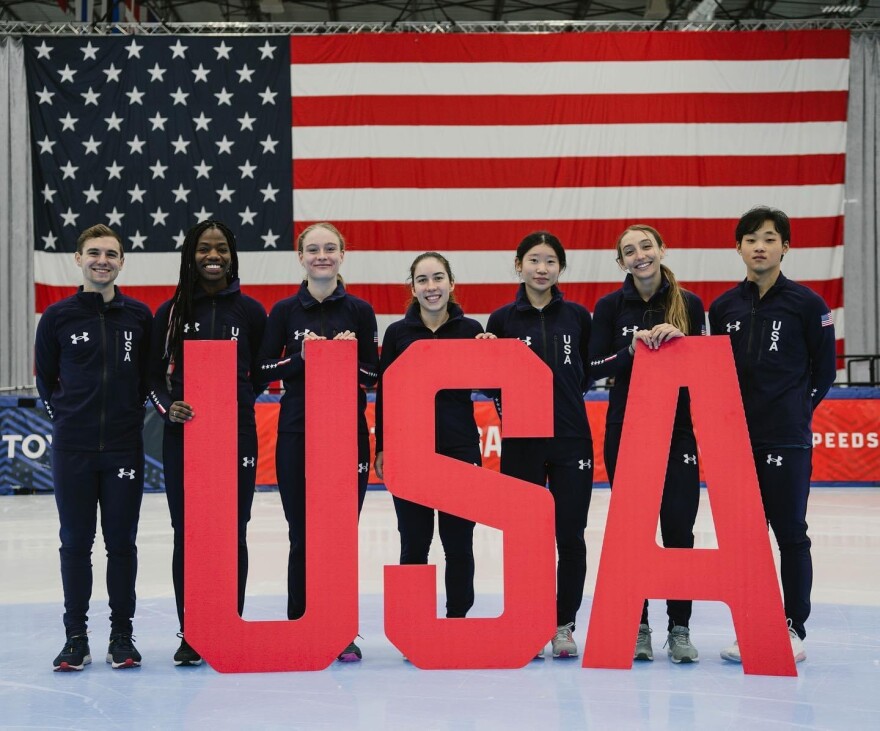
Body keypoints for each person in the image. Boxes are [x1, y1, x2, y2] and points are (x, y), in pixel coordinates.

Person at [709, 206, 836, 664]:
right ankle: (752, 626)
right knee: (746, 539)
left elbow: (824, 371)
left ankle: (791, 627)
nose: (759, 247)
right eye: (750, 239)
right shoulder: (723, 308)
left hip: (786, 439)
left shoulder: (807, 304)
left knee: (790, 534)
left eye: (769, 238)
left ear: (785, 246)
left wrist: (796, 411)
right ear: (738, 248)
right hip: (735, 443)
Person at [147, 220, 267, 666]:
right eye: (203, 248)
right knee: (189, 535)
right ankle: (191, 631)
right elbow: (153, 377)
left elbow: (262, 372)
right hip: (186, 440)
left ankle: (229, 622)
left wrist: (236, 403)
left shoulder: (252, 312)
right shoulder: (171, 312)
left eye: (220, 248)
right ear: (190, 255)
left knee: (234, 532)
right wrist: (169, 407)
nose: (212, 256)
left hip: (238, 437)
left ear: (233, 255)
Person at [258, 222, 379, 662]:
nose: (322, 255)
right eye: (313, 249)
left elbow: (375, 374)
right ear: (301, 256)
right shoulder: (285, 310)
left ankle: (341, 628)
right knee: (301, 534)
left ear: (343, 255)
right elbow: (264, 369)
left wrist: (348, 360)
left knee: (340, 535)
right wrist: (300, 359)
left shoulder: (361, 312)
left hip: (347, 434)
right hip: (296, 432)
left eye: (330, 248)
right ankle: (300, 623)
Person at [35, 224, 152, 671]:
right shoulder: (58, 318)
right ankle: (75, 638)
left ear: (121, 262)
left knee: (121, 544)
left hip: (123, 449)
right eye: (94, 253)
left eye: (111, 254)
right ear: (78, 259)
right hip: (74, 450)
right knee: (75, 543)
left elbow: (146, 379)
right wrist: (66, 419)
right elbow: (46, 381)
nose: (102, 260)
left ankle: (121, 635)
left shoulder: (138, 317)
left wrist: (126, 419)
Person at [588, 224, 705, 664]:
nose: (639, 255)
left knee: (679, 531)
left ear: (661, 250)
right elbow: (590, 367)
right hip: (627, 428)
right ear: (621, 262)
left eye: (646, 246)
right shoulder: (608, 306)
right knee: (633, 533)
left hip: (677, 431)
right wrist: (629, 352)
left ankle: (679, 628)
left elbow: (704, 369)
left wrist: (683, 345)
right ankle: (638, 627)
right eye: (629, 251)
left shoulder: (689, 304)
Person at [485, 231, 593, 659]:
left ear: (560, 268)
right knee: (525, 538)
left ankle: (563, 624)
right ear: (518, 265)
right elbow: (491, 381)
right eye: (534, 260)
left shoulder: (579, 317)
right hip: (522, 442)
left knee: (570, 535)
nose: (542, 268)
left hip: (571, 439)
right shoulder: (501, 320)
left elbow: (585, 374)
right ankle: (529, 621)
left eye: (550, 261)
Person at [374, 252, 486, 622]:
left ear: (451, 283)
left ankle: (457, 621)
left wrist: (491, 353)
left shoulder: (471, 330)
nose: (431, 287)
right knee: (415, 543)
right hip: (410, 453)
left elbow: (489, 386)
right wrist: (383, 447)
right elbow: (385, 395)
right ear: (413, 287)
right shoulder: (397, 333)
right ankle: (414, 625)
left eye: (438, 278)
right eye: (422, 280)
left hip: (459, 448)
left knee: (458, 545)